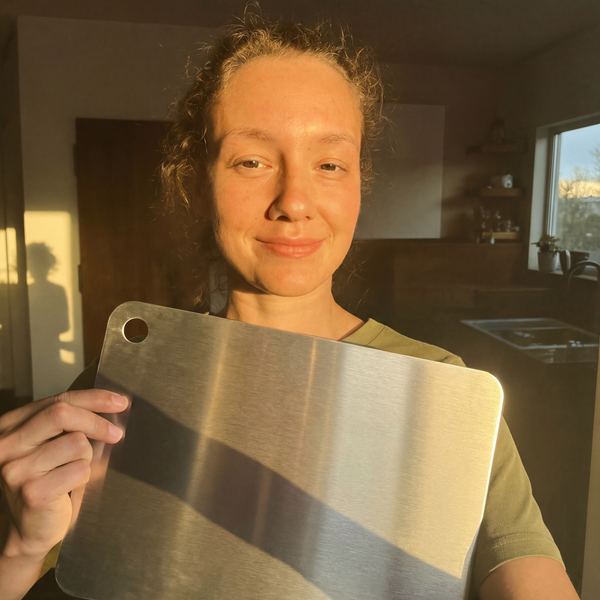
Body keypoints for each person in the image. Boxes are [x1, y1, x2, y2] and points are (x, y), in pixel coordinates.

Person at [0, 11, 580, 600]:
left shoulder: (442, 391)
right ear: (197, 185)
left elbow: (526, 572)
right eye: (251, 161)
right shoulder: (121, 387)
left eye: (329, 165)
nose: (294, 201)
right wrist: (20, 550)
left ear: (357, 185)